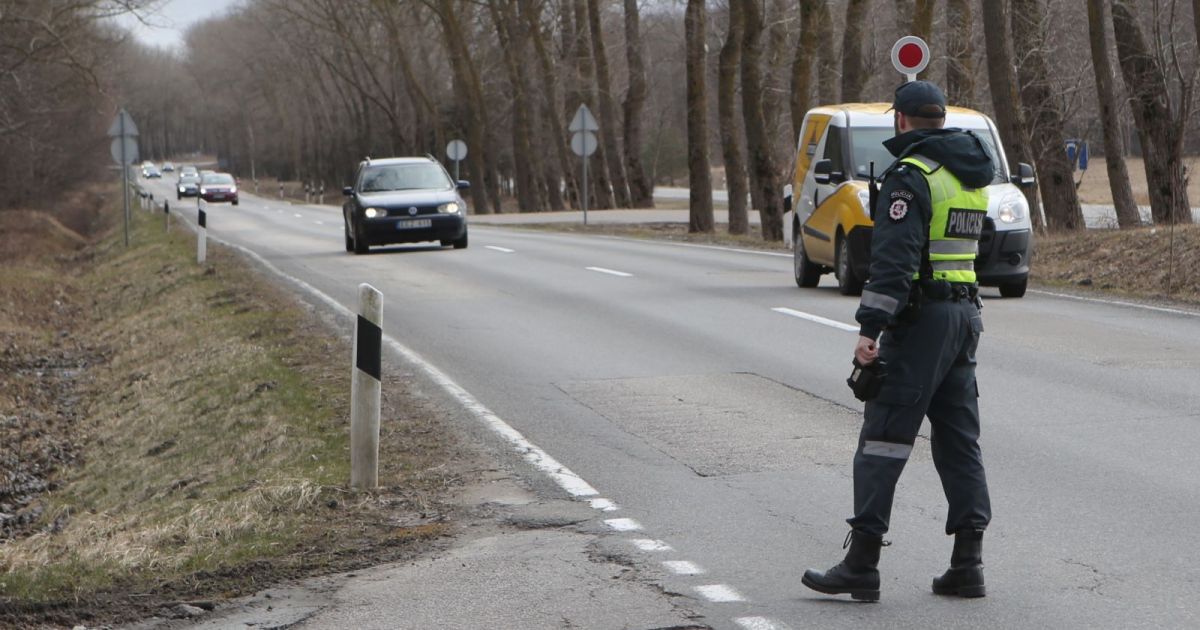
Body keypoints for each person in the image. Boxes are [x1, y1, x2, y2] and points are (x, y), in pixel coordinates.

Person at [802, 80, 994, 602]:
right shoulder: (967, 175)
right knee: (959, 441)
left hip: (921, 323)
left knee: (884, 437)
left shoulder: (911, 178)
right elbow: (987, 244)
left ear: (902, 121)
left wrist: (870, 330)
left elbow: (894, 262)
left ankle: (862, 562)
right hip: (963, 317)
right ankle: (967, 564)